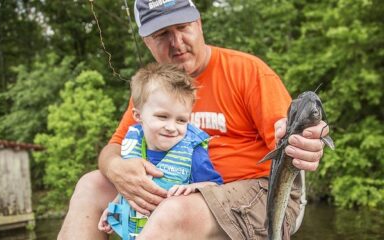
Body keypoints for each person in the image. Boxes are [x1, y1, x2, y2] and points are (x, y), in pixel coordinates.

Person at [58, 0, 330, 239]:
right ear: (147, 42)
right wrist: (116, 168)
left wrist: (305, 145)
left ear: (198, 23)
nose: (176, 43)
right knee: (91, 185)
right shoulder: (154, 89)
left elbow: (290, 138)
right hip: (174, 186)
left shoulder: (248, 71)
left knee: (174, 212)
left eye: (182, 27)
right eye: (162, 34)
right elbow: (113, 147)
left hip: (259, 192)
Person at [97, 63, 223, 237]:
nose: (172, 127)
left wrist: (195, 187)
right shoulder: (133, 145)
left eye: (181, 120)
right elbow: (128, 190)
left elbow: (215, 185)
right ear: (138, 116)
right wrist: (114, 209)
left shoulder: (193, 152)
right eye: (162, 117)